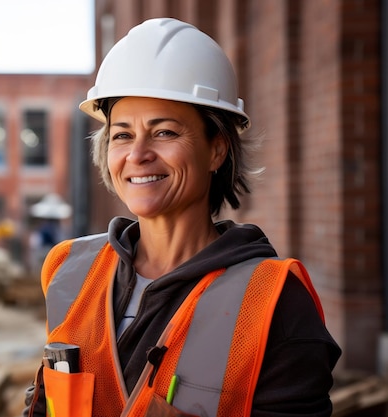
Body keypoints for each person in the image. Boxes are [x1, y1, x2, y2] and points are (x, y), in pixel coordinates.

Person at [22, 17, 340, 417]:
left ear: (217, 150)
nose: (137, 155)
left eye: (165, 132)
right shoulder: (68, 269)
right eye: (122, 134)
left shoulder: (274, 302)